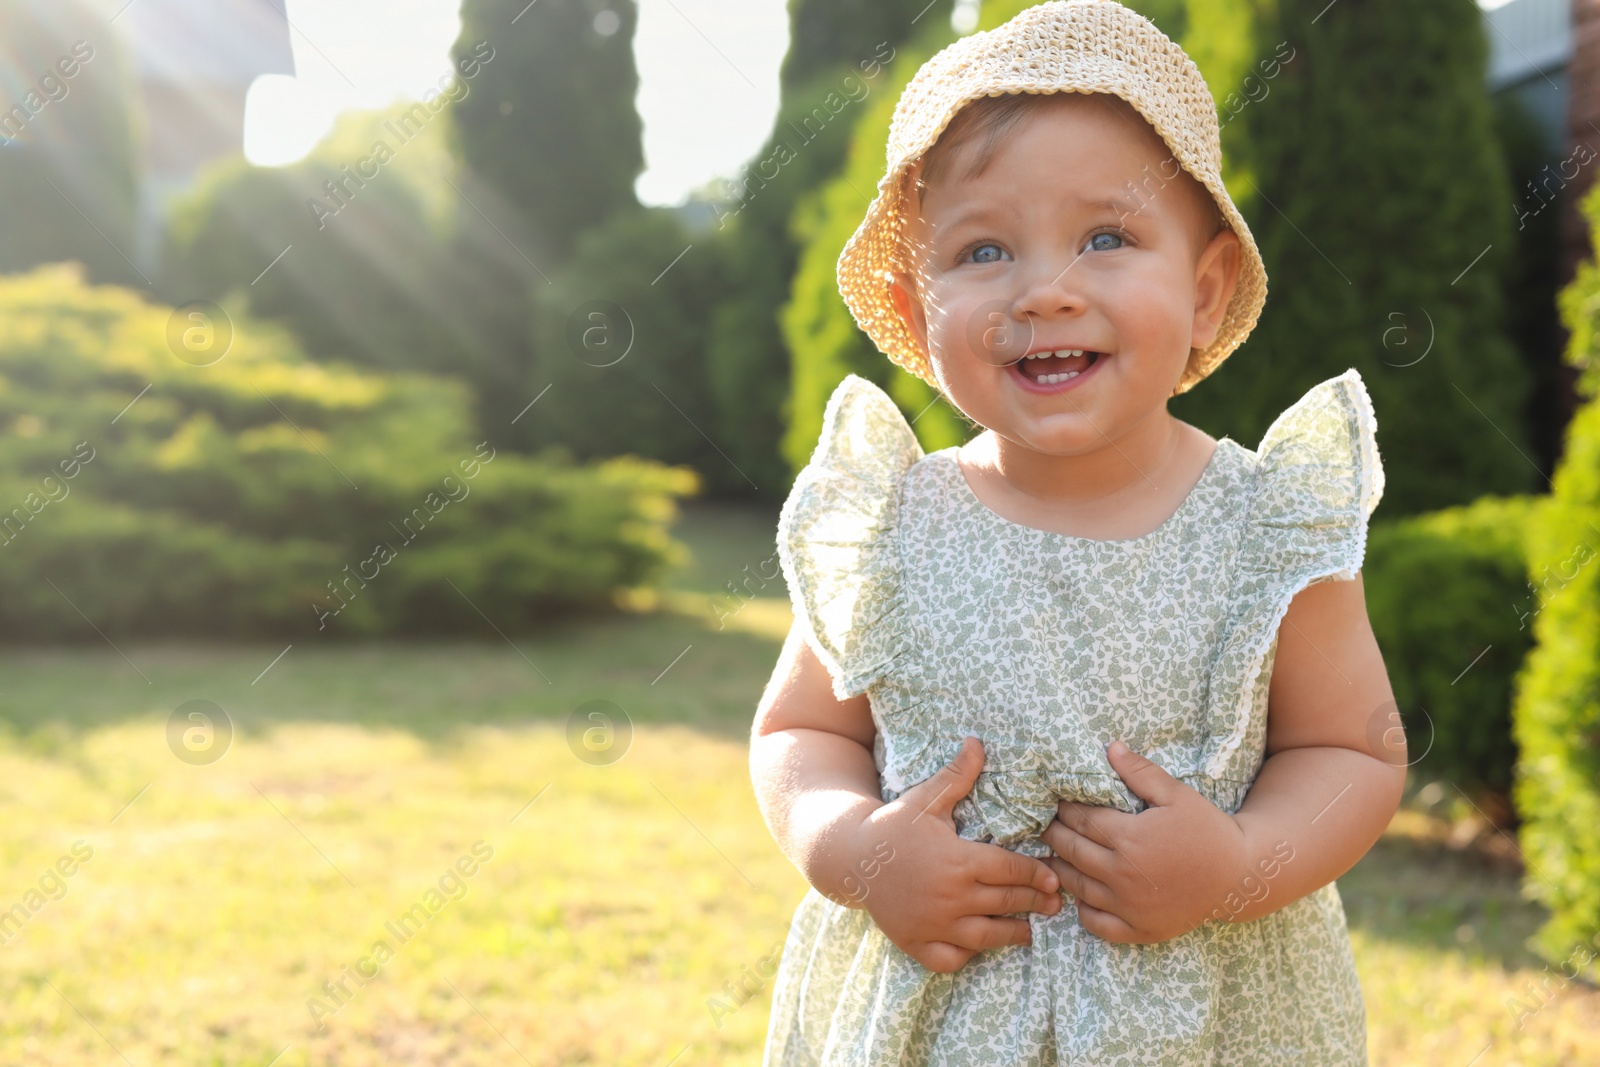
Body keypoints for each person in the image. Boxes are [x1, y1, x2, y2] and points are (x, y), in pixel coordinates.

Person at [747, 2, 1408, 1063]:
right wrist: (855, 851)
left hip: (1208, 1016)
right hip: (944, 1012)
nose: (1044, 290)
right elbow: (799, 732)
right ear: (917, 319)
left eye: (1107, 237)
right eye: (983, 248)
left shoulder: (1264, 525)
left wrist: (1236, 858)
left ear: (1203, 292)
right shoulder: (892, 524)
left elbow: (1350, 749)